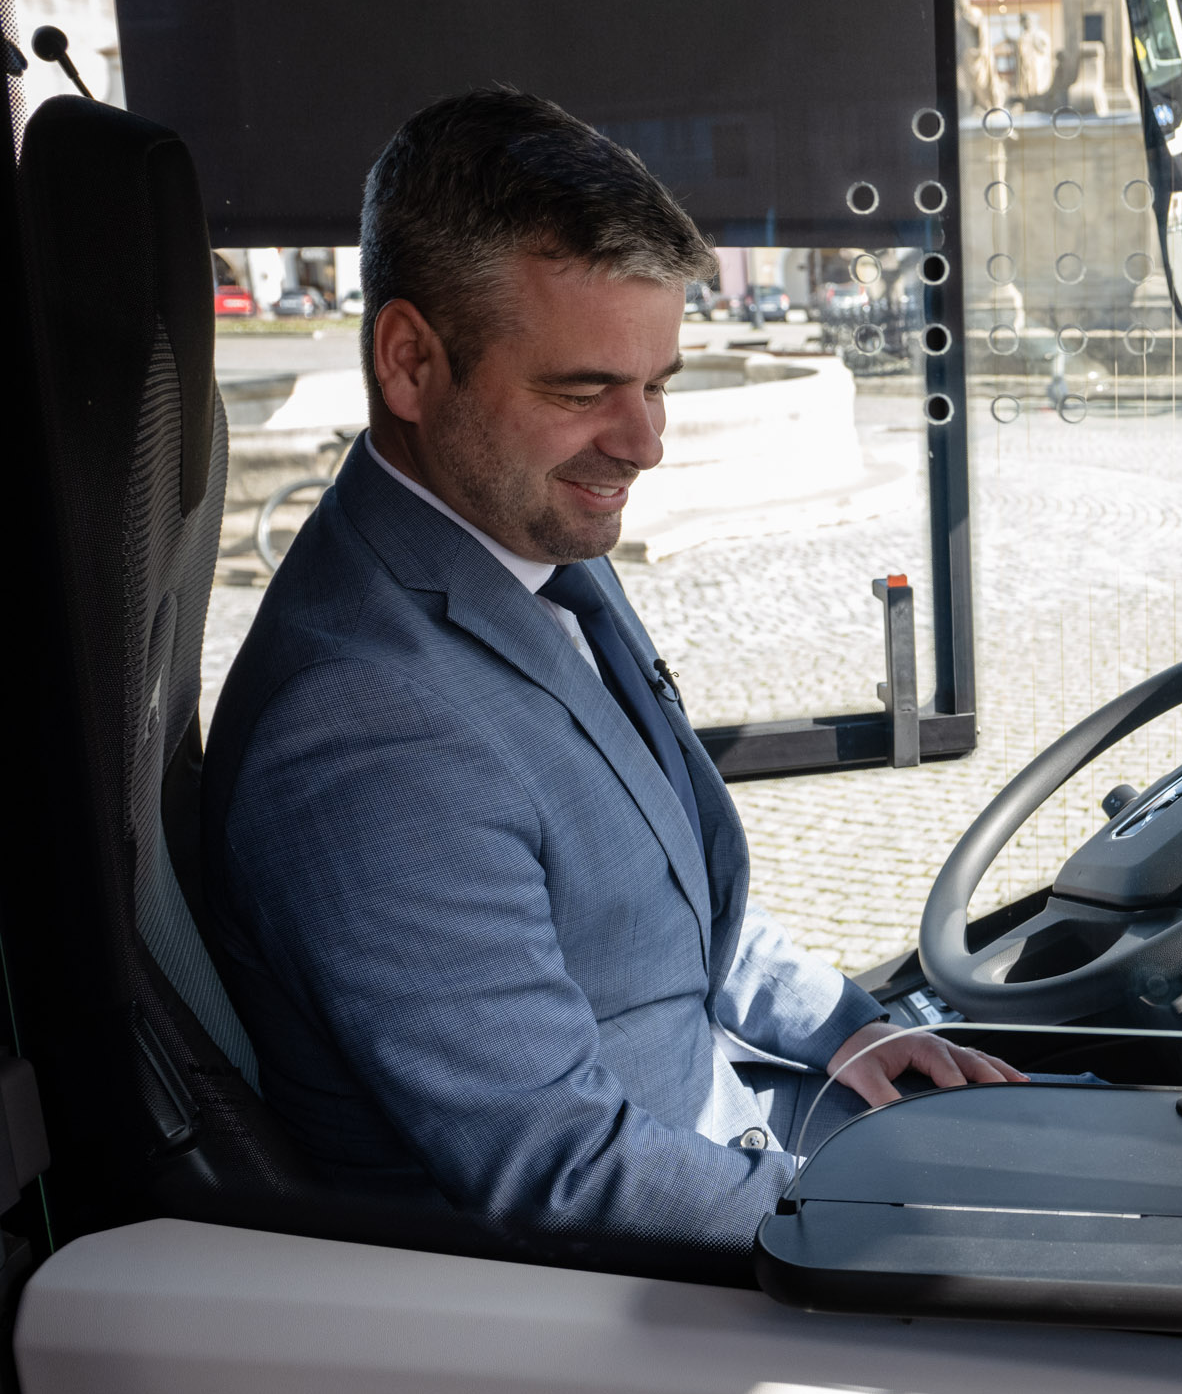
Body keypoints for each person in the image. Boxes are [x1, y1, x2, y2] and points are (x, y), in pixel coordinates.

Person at [201, 88, 1024, 1254]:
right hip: (642, 1294)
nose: (643, 442)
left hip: (732, 1130)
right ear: (410, 360)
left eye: (660, 384)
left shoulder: (520, 541)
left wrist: (847, 1027)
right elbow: (567, 1169)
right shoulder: (369, 726)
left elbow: (657, 896)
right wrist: (914, 1227)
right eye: (583, 390)